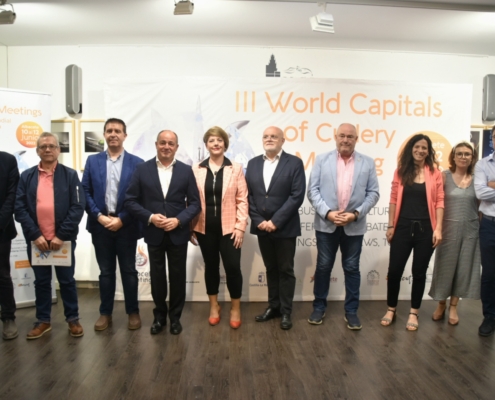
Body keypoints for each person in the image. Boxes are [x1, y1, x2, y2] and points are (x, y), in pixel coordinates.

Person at [125, 130, 200, 335]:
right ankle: (159, 317)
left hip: (178, 233)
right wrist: (150, 217)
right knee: (157, 277)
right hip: (154, 232)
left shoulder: (186, 170)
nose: (166, 146)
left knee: (177, 277)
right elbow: (130, 200)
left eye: (171, 143)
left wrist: (179, 220)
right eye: (163, 143)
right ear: (156, 144)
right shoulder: (142, 169)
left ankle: (175, 318)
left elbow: (195, 204)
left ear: (176, 147)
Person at [307, 123, 379, 330]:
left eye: (350, 136)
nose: (345, 140)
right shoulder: (321, 160)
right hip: (326, 224)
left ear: (357, 139)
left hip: (353, 226)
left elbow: (373, 193)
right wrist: (328, 213)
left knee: (351, 268)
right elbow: (312, 191)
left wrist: (355, 214)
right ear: (335, 137)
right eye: (342, 136)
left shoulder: (367, 163)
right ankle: (319, 307)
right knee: (323, 268)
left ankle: (351, 312)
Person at [15, 132, 86, 339]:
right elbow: (19, 208)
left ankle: (73, 319)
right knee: (42, 282)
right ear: (37, 151)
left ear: (58, 150)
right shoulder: (26, 176)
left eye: (51, 146)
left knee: (67, 281)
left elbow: (78, 206)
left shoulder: (70, 175)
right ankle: (43, 321)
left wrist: (60, 235)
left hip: (62, 241)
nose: (47, 149)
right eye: (43, 146)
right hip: (37, 241)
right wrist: (35, 234)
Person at [82, 118, 144, 331]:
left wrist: (122, 219)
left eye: (118, 131)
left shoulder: (137, 163)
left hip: (126, 225)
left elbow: (140, 197)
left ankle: (133, 312)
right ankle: (105, 313)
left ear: (125, 135)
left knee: (129, 271)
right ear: (104, 135)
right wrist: (99, 216)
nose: (113, 134)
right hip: (100, 225)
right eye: (109, 131)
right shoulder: (93, 161)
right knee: (106, 272)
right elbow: (85, 192)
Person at [381, 133, 444, 331]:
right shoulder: (400, 171)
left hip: (426, 229)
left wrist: (439, 228)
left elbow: (440, 201)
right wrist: (391, 225)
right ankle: (391, 309)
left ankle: (414, 312)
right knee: (395, 271)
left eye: (424, 147)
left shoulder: (435, 172)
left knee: (419, 272)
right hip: (402, 228)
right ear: (411, 149)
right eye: (417, 147)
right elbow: (392, 199)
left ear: (428, 151)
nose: (420, 150)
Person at [245, 126, 306, 330]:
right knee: (271, 268)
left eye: (273, 136)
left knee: (286, 270)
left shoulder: (294, 163)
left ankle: (286, 312)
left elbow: (297, 195)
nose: (269, 139)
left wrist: (275, 221)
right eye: (266, 136)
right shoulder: (253, 164)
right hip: (262, 226)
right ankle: (274, 307)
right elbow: (248, 196)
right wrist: (259, 220)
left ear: (282, 140)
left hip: (285, 227)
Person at [191, 126, 248, 329]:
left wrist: (240, 227)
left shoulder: (236, 167)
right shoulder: (196, 168)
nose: (216, 144)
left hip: (230, 229)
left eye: (219, 140)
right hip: (204, 228)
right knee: (211, 267)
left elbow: (242, 200)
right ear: (206, 145)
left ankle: (235, 307)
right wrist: (190, 227)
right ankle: (214, 306)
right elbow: (190, 200)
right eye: (211, 140)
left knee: (233, 268)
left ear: (225, 144)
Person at [429, 141, 480, 325]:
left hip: (471, 229)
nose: (463, 157)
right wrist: (437, 227)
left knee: (464, 268)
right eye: (460, 153)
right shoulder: (444, 176)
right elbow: (437, 203)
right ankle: (441, 304)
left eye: (467, 154)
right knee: (445, 267)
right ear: (453, 156)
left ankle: (454, 307)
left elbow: (480, 205)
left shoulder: (477, 178)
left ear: (472, 157)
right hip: (448, 228)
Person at [474, 126, 495, 337]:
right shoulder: (482, 164)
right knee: (489, 274)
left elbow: (488, 189)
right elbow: (480, 190)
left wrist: (493, 185)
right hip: (489, 224)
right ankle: (489, 316)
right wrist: (488, 186)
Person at [0, 151, 20, 340]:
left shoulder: (7, 160)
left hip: (1, 229)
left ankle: (8, 317)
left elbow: (12, 196)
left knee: (2, 275)